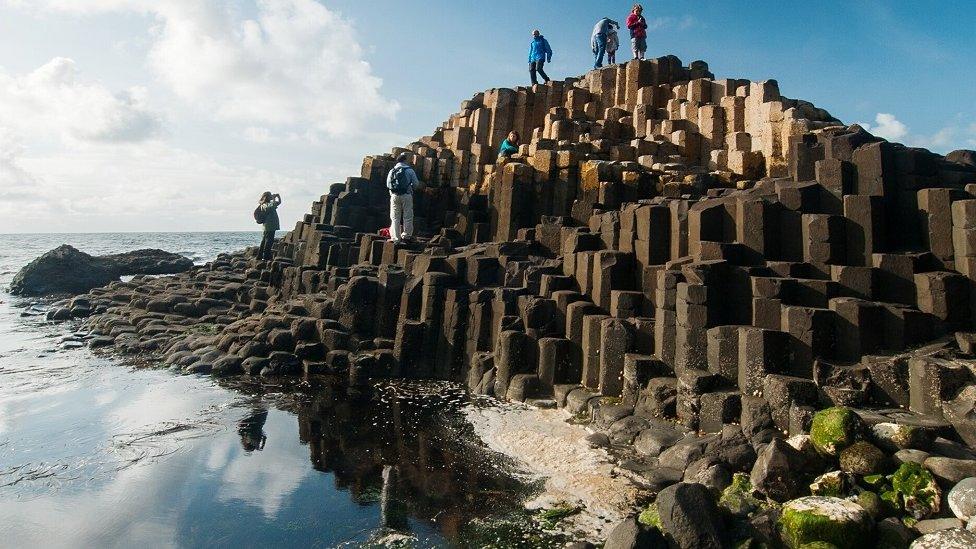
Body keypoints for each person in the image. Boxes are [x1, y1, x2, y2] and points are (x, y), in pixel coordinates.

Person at [386, 153, 420, 243]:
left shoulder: (392, 170)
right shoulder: (409, 170)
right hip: (406, 195)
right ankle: (406, 236)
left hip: (394, 196)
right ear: (405, 160)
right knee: (407, 216)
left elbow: (388, 184)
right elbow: (416, 184)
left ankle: (395, 238)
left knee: (395, 217)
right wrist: (411, 187)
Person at [256, 191, 281, 260]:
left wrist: (278, 197)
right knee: (269, 241)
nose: (271, 196)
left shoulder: (268, 204)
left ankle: (260, 256)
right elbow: (271, 205)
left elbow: (278, 203)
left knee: (265, 241)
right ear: (267, 197)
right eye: (270, 196)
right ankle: (266, 256)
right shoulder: (265, 205)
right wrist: (273, 198)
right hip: (269, 226)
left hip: (270, 226)